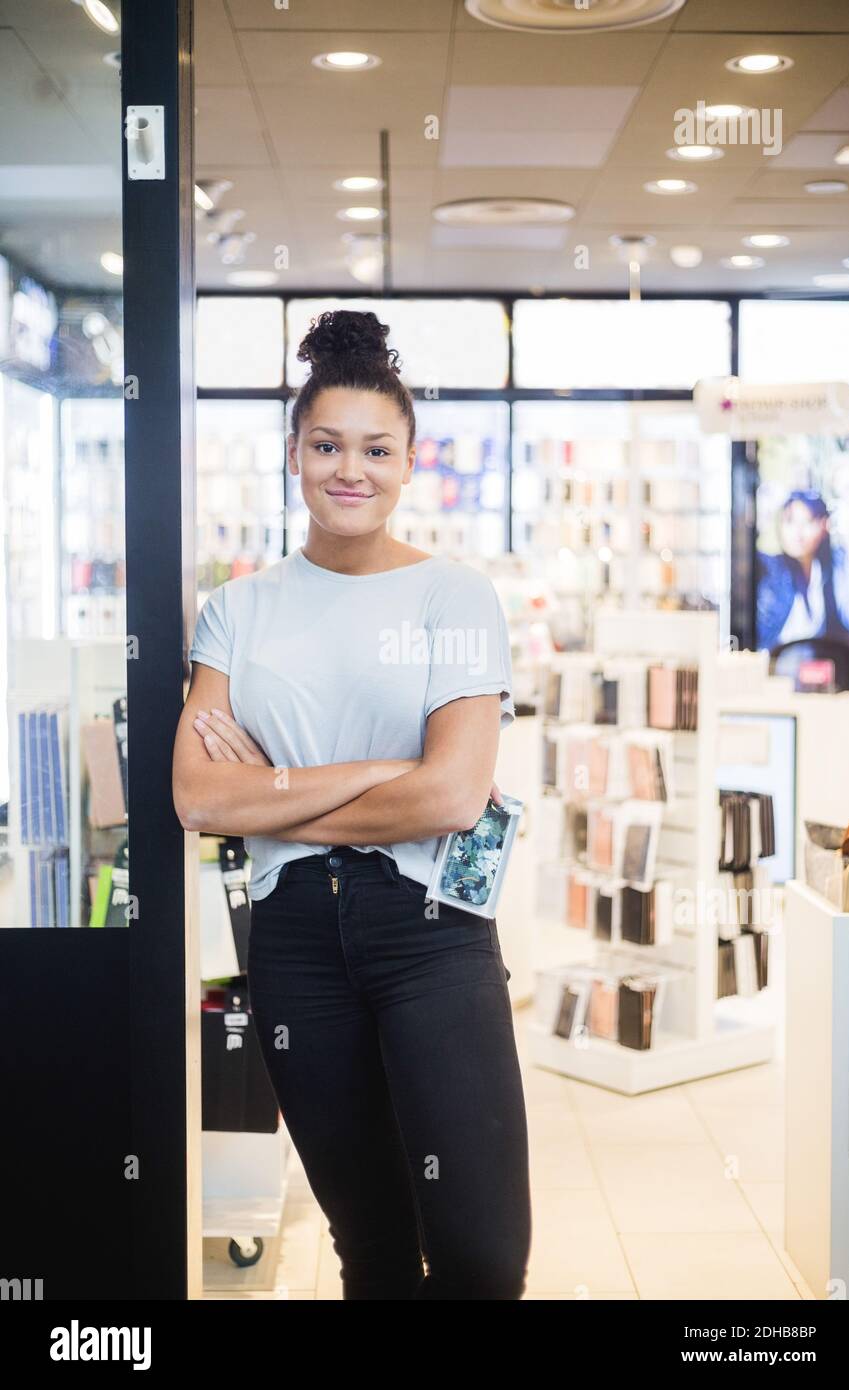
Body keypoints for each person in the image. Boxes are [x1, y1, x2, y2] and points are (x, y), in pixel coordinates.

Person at [172, 309, 531, 1300]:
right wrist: (385, 773)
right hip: (292, 939)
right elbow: (199, 793)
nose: (349, 469)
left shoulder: (453, 597)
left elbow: (455, 793)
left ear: (408, 461)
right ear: (293, 452)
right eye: (326, 444)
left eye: (376, 449)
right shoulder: (236, 609)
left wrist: (273, 793)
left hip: (429, 934)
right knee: (369, 1249)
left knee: (481, 1256)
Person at [756, 488, 849, 686]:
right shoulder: (771, 570)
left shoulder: (830, 571)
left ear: (824, 525)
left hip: (817, 681)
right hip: (772, 680)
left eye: (807, 522)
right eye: (789, 521)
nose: (797, 533)